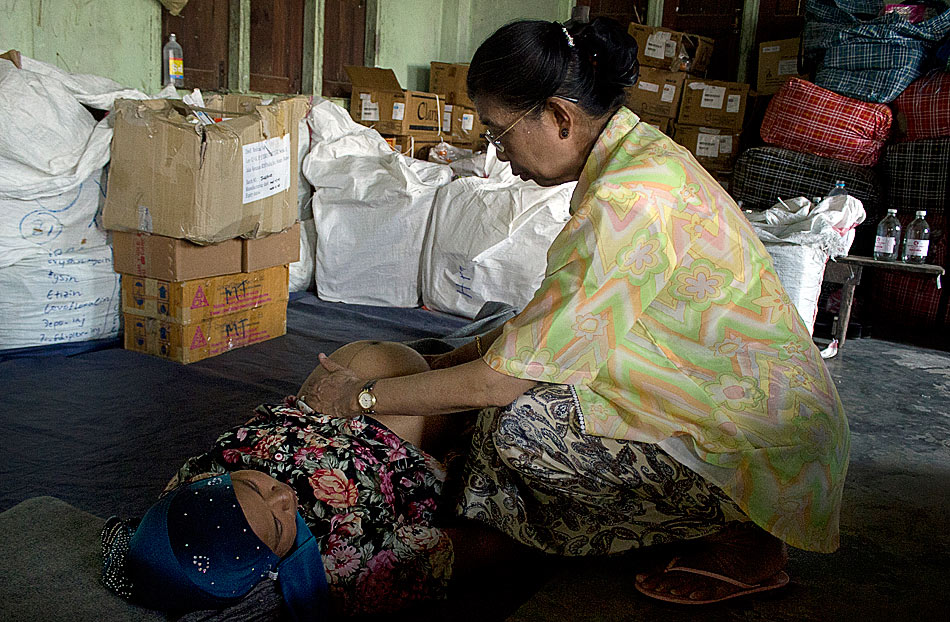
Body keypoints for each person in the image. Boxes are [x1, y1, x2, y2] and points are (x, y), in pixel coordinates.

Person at [304, 17, 850, 605]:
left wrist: (360, 397)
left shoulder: (629, 200)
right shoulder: (630, 155)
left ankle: (743, 533)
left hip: (767, 450)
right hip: (720, 391)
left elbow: (500, 384)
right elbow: (545, 324)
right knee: (493, 355)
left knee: (520, 430)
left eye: (500, 133)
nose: (500, 155)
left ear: (560, 117)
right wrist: (440, 367)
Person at [102, 342, 464, 619]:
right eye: (278, 523)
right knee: (437, 372)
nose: (284, 496)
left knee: (392, 360)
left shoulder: (194, 499)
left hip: (317, 411)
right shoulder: (347, 563)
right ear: (271, 568)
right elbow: (473, 550)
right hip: (385, 442)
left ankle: (441, 364)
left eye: (253, 485)